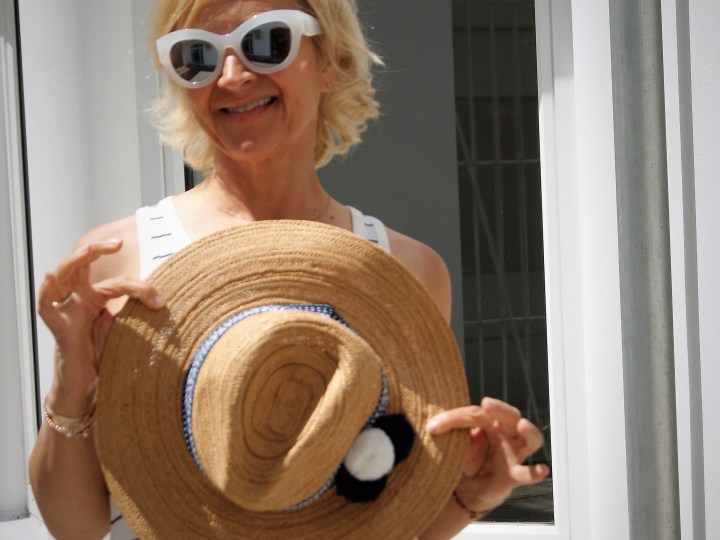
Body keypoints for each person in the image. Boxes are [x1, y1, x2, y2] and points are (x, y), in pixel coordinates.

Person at [29, 0, 549, 538]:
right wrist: (71, 388)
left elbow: (386, 519)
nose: (232, 76)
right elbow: (76, 530)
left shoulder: (407, 274)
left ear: (333, 61)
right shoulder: (121, 258)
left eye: (267, 42)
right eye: (196, 56)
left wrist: (466, 498)